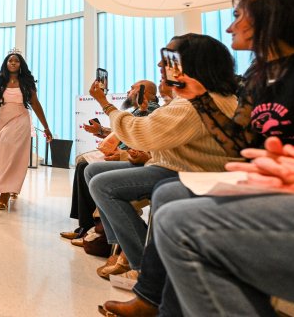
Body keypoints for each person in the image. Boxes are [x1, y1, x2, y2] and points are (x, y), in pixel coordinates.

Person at [100, 0, 294, 317]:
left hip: (287, 188)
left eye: (239, 16)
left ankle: (151, 294)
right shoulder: (259, 76)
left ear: (272, 18)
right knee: (165, 195)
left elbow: (146, 133)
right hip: (261, 181)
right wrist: (199, 98)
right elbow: (239, 144)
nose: (230, 25)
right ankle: (154, 300)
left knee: (163, 208)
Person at [85, 34, 239, 280]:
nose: (160, 66)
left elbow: (142, 133)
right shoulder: (196, 98)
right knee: (92, 170)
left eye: (167, 59)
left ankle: (147, 267)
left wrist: (105, 104)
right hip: (175, 164)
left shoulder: (193, 103)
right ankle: (121, 246)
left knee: (101, 184)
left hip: (188, 171)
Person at [155, 136, 294, 316]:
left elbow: (149, 136)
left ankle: (148, 296)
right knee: (169, 193)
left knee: (180, 225)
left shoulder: (184, 108)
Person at [61, 80, 159, 241]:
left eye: (133, 88)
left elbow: (133, 132)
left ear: (146, 93)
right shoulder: (139, 110)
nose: (128, 91)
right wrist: (101, 130)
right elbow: (122, 132)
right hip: (124, 153)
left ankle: (91, 228)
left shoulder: (151, 109)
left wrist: (103, 102)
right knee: (82, 165)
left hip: (133, 157)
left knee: (85, 167)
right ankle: (86, 227)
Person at [0, 52, 53, 210]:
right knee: (1, 154)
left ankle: (5, 193)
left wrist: (46, 126)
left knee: (14, 154)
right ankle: (11, 186)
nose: (13, 62)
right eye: (10, 60)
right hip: (2, 120)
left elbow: (35, 104)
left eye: (16, 61)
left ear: (21, 65)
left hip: (20, 120)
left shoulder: (26, 84)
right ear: (6, 64)